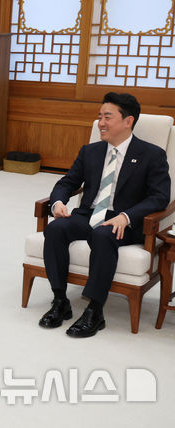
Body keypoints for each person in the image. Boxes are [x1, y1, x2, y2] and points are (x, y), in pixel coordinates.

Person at [40, 92, 170, 338]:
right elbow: (67, 182)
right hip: (89, 214)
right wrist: (57, 202)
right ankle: (60, 301)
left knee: (102, 235)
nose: (100, 123)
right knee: (55, 229)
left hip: (123, 222)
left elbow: (159, 197)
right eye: (100, 117)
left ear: (128, 121)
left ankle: (95, 310)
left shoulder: (152, 154)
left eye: (107, 117)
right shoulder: (90, 151)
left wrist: (127, 216)